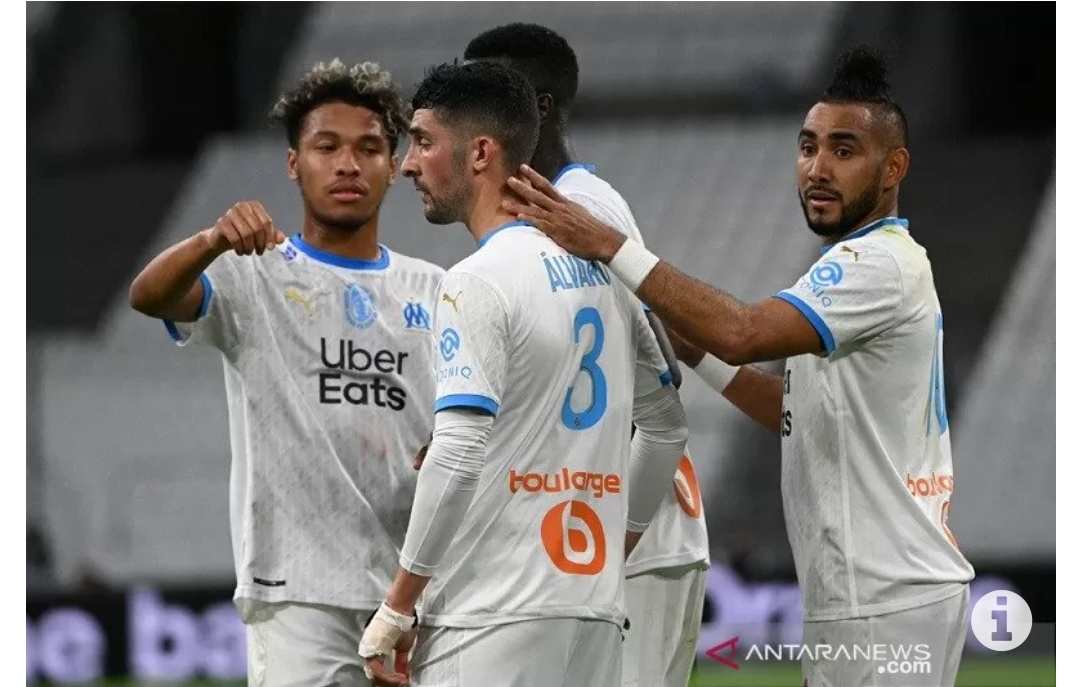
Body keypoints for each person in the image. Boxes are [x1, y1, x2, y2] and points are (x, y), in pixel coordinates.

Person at [504, 45, 975, 687]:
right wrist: (692, 350)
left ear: (894, 166)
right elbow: (791, 411)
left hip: (883, 597)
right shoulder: (871, 266)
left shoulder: (876, 265)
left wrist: (609, 245)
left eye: (843, 151)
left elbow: (742, 332)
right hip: (883, 591)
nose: (817, 169)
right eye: (808, 147)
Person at [356, 61, 690, 687]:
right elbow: (667, 429)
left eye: (423, 141)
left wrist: (398, 606)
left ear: (480, 153)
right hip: (591, 613)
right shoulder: (603, 272)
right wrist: (613, 555)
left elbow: (458, 452)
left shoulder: (476, 281)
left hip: (490, 616)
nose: (407, 164)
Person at [128, 59, 446, 687]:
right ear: (294, 164)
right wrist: (211, 241)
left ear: (393, 165)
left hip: (415, 591)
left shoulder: (435, 289)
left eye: (368, 149)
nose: (348, 164)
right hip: (298, 589)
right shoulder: (253, 273)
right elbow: (149, 296)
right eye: (327, 147)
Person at [463, 23, 711, 687]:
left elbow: (658, 380)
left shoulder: (576, 211)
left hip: (634, 536)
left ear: (539, 109)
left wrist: (615, 545)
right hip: (601, 536)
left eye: (487, 97)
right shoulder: (557, 206)